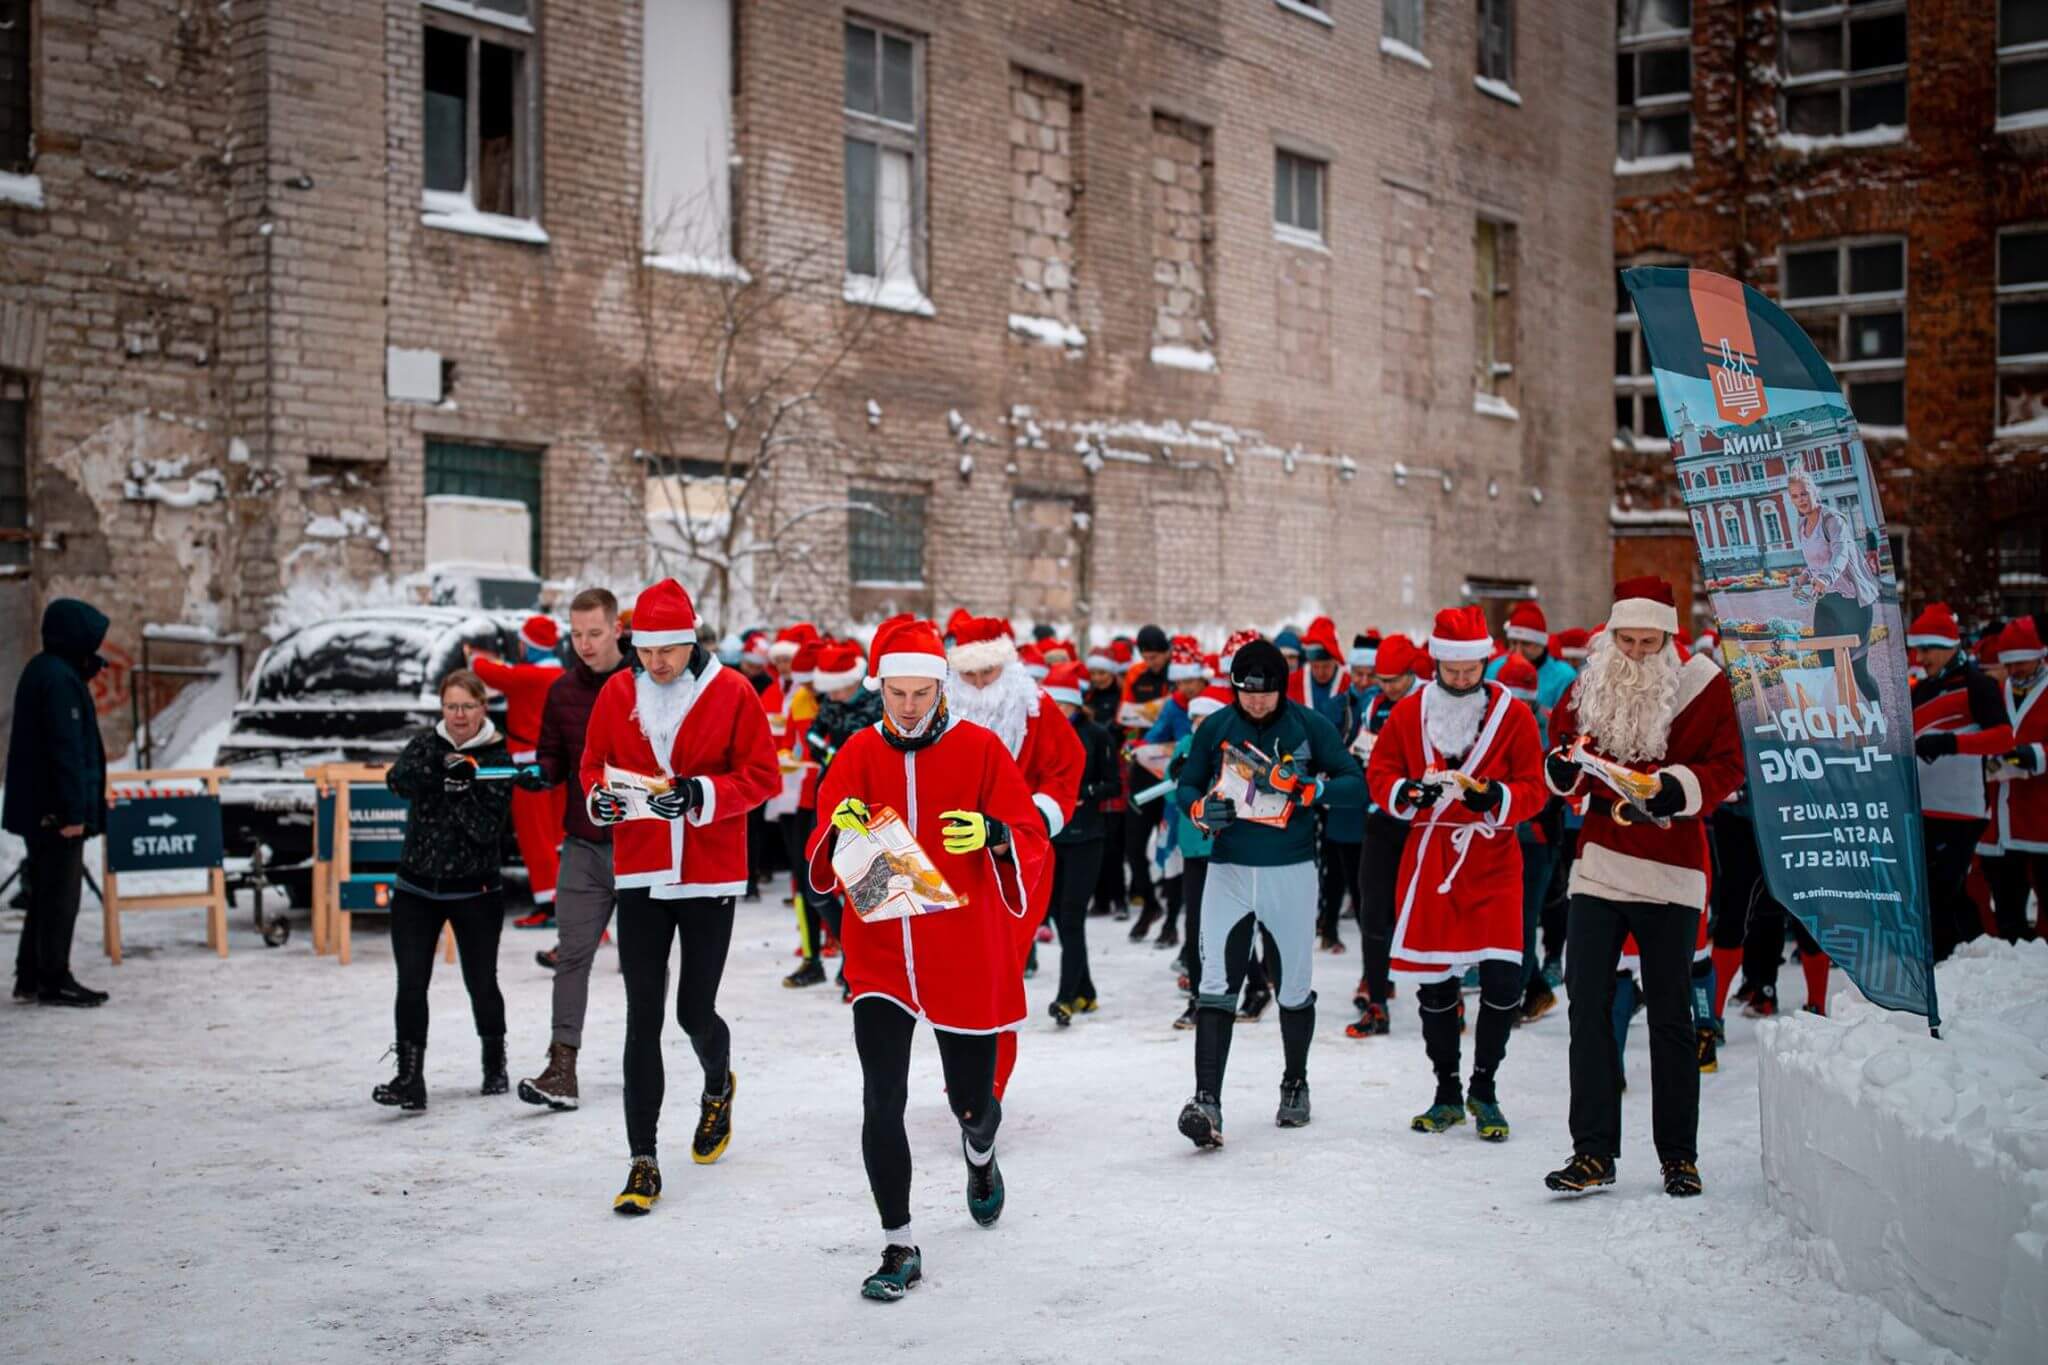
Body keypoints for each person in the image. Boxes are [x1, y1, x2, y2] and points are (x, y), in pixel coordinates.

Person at [801, 616, 1051, 1301]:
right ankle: (899, 1242)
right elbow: (821, 848)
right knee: (882, 1098)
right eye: (896, 692)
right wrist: (836, 831)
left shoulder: (980, 750)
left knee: (971, 1101)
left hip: (960, 950)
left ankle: (980, 1149)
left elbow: (1030, 835)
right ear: (879, 688)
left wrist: (996, 835)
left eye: (922, 692)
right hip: (879, 953)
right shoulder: (854, 752)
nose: (908, 707)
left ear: (942, 687)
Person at [580, 578, 781, 1215]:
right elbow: (593, 764)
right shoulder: (617, 691)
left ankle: (718, 1085)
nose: (656, 662)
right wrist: (599, 798)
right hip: (640, 869)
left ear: (691, 641)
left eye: (668, 649)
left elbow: (763, 776)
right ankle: (643, 1160)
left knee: (693, 1010)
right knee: (643, 1014)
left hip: (708, 872)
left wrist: (700, 795)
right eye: (645, 649)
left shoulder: (732, 692)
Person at [1540, 578, 1742, 1199]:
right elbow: (1560, 753)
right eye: (1623, 639)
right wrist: (1565, 769)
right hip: (1600, 860)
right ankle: (1592, 1153)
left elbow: (1729, 765)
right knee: (1589, 1009)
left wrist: (1679, 786)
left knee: (1672, 1018)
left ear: (1668, 638)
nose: (1632, 651)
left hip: (1673, 869)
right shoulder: (1589, 683)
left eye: (1646, 642)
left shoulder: (1704, 687)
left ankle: (1679, 1155)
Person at [1171, 637, 1365, 1147]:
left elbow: (1355, 785)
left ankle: (1295, 1083)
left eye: (1266, 693)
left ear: (1282, 688)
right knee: (1214, 982)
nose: (1255, 701)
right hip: (1229, 871)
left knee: (1293, 985)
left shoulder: (1308, 725)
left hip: (1291, 871)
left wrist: (1311, 790)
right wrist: (1198, 810)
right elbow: (1186, 785)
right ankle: (1206, 1100)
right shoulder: (1217, 725)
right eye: (1245, 692)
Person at [1367, 607, 1543, 1141]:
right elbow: (1381, 772)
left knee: (1503, 979)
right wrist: (1407, 794)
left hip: (1492, 857)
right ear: (1438, 664)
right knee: (1436, 982)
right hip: (1433, 856)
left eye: (1471, 671)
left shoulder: (1513, 716)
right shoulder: (1410, 711)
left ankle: (1484, 1089)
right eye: (1453, 671)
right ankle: (1446, 1091)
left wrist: (1497, 797)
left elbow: (1535, 787)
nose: (1463, 680)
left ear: (1484, 662)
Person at [944, 616, 1083, 1100]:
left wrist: (1034, 819)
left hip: (1015, 861)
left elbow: (1065, 769)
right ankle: (965, 1074)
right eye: (970, 676)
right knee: (956, 972)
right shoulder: (938, 710)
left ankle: (989, 1086)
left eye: (989, 674)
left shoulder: (1036, 709)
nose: (980, 685)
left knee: (999, 972)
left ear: (1008, 665)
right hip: (951, 860)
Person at [371, 669, 515, 1111]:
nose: (458, 715)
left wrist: (463, 791)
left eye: (467, 706)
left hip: (477, 889)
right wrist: (439, 771)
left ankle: (495, 1061)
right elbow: (397, 780)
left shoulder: (497, 757)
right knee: (411, 983)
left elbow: (487, 830)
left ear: (482, 708)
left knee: (481, 982)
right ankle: (409, 1077)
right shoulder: (425, 745)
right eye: (451, 706)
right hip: (416, 886)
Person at [514, 589, 632, 1112]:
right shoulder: (562, 691)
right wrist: (539, 775)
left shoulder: (643, 684)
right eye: (576, 634)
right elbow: (553, 757)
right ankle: (562, 1066)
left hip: (642, 846)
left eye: (594, 633)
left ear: (617, 631)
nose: (583, 644)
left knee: (644, 966)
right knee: (572, 958)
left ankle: (642, 1060)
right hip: (583, 845)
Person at [5, 598, 112, 1008]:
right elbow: (65, 752)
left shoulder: (45, 671)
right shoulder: (60, 681)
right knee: (60, 895)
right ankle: (54, 978)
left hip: (40, 809)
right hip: (55, 813)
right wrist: (72, 814)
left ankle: (30, 974)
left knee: (44, 892)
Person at [1907, 603, 2013, 959]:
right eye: (1917, 649)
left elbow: (2003, 739)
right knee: (1931, 895)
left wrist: (1951, 743)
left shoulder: (1976, 684)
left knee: (1944, 892)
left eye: (1926, 649)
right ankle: (1954, 963)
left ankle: (1963, 960)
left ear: (1948, 646)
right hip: (1924, 809)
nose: (1920, 658)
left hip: (1964, 810)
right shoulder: (1920, 690)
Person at [467, 615, 567, 930]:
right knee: (555, 837)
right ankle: (566, 902)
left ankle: (550, 907)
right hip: (558, 765)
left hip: (528, 765)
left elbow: (486, 672)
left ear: (529, 646)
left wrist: (474, 654)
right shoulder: (561, 674)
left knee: (534, 836)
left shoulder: (528, 677)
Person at [792, 640, 879, 998]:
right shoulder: (829, 703)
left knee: (863, 884)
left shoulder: (875, 703)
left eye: (840, 687)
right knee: (817, 882)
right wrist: (830, 752)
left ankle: (857, 969)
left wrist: (848, 756)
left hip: (864, 799)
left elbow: (877, 746)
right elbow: (813, 735)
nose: (835, 695)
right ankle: (848, 949)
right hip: (829, 794)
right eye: (831, 689)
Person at [1346, 633, 1422, 1038]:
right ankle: (1377, 994)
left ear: (1413, 673)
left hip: (1424, 820)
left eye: (1395, 680)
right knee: (1372, 903)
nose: (1387, 687)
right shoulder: (1374, 703)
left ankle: (1450, 996)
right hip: (1382, 813)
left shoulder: (1429, 701)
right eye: (1382, 679)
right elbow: (1362, 745)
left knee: (1428, 906)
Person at [1041, 662, 1121, 1023]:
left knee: (1072, 916)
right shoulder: (1040, 734)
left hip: (1088, 835)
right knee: (1059, 915)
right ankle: (1085, 990)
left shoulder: (1097, 734)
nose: (1058, 711)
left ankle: (1065, 997)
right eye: (1052, 704)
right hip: (1053, 836)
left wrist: (1083, 793)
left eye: (1064, 705)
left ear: (1076, 705)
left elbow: (1113, 784)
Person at [1787, 469, 1882, 705]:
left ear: (1814, 492)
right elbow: (1816, 562)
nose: (1801, 500)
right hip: (1827, 602)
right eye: (1796, 496)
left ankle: (1878, 714)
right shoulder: (1801, 525)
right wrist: (1804, 576)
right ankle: (1845, 719)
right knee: (1827, 664)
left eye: (1804, 493)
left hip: (1853, 602)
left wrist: (1826, 579)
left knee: (1857, 669)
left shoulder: (1833, 520)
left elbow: (1840, 555)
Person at [1982, 616, 2047, 941]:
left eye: (2020, 661)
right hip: (2002, 818)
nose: (2014, 669)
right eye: (2008, 663)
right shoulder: (1997, 690)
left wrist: (2035, 754)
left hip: (2040, 815)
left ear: (2039, 655)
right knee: (2007, 902)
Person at [1116, 625, 1174, 923]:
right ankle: (1150, 901)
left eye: (1156, 657)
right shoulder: (1137, 675)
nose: (1152, 663)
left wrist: (1151, 712)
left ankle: (1174, 912)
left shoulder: (1178, 674)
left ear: (1167, 652)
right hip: (1143, 765)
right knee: (1134, 843)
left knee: (1172, 842)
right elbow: (1125, 715)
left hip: (1173, 770)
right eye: (1146, 657)